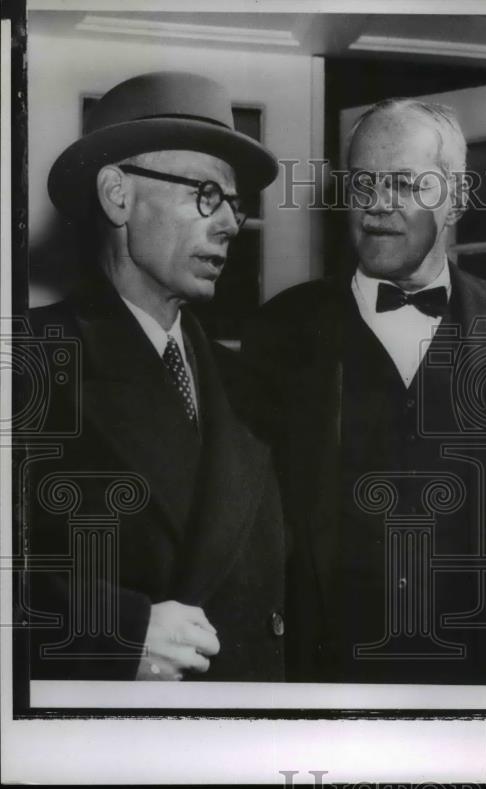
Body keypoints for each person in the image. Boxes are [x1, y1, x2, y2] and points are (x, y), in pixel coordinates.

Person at [243, 98, 486, 684]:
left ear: (454, 199)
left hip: (475, 678)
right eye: (363, 183)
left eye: (404, 184)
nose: (376, 206)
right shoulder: (281, 329)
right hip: (326, 674)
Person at [20, 71, 286, 681]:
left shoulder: (246, 381)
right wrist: (116, 631)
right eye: (205, 194)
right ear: (117, 196)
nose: (229, 225)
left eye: (235, 205)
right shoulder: (30, 358)